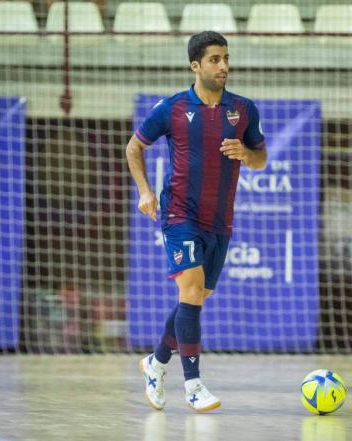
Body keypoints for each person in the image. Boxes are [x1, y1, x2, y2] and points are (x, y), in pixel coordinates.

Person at [126, 31, 267, 413]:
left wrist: (246, 155)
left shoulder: (243, 109)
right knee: (190, 292)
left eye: (226, 58)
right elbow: (134, 147)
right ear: (196, 65)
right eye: (215, 59)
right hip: (179, 214)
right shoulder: (172, 108)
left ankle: (155, 362)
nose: (224, 66)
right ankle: (193, 386)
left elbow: (261, 157)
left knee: (198, 295)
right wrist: (145, 191)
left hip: (220, 220)